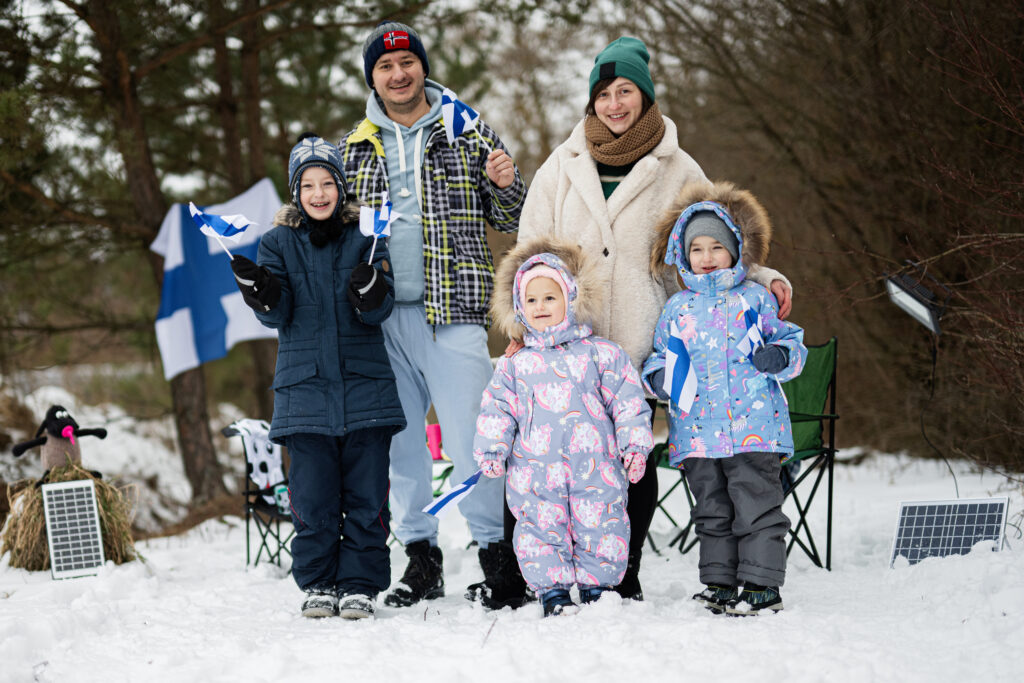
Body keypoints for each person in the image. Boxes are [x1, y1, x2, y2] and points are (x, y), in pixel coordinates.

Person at [513, 36, 793, 600]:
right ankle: (546, 574)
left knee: (630, 460)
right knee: (559, 463)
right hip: (571, 348)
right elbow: (529, 253)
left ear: (645, 96)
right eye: (605, 94)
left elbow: (716, 239)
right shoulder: (560, 167)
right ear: (591, 102)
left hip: (644, 341)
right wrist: (523, 329)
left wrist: (764, 278)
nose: (615, 104)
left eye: (626, 92)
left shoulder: (678, 166)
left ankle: (625, 573)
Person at [338, 21, 529, 609]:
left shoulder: (465, 131)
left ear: (422, 66)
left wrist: (507, 182)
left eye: (407, 63)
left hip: (456, 312)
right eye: (385, 67)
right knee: (402, 447)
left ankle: (498, 557)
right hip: (380, 322)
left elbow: (512, 216)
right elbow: (328, 227)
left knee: (474, 443)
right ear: (373, 77)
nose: (398, 74)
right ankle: (421, 558)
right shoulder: (353, 147)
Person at [230, 134, 406, 620]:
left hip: (365, 388)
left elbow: (381, 309)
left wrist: (371, 293)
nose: (319, 193)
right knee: (312, 498)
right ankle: (319, 582)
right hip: (304, 393)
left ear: (341, 187)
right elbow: (275, 313)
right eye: (308, 184)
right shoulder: (276, 242)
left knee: (368, 497)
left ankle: (359, 584)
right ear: (295, 192)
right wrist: (261, 291)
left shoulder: (367, 237)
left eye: (328, 182)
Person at [641, 180, 806, 615]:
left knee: (756, 506)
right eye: (697, 249)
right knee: (712, 512)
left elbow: (792, 343)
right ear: (683, 254)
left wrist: (781, 354)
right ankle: (719, 582)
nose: (708, 257)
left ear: (735, 248)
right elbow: (658, 357)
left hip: (753, 428)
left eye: (717, 246)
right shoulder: (677, 308)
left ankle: (760, 584)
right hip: (697, 434)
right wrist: (658, 380)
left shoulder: (753, 298)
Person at [474, 238, 654, 616]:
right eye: (532, 300)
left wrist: (635, 447)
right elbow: (497, 409)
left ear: (570, 299)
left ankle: (598, 588)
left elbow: (628, 403)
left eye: (550, 298)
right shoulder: (515, 364)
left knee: (602, 524)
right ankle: (551, 590)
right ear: (520, 308)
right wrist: (492, 448)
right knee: (539, 529)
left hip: (596, 470)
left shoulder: (601, 354)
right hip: (536, 474)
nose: (541, 307)